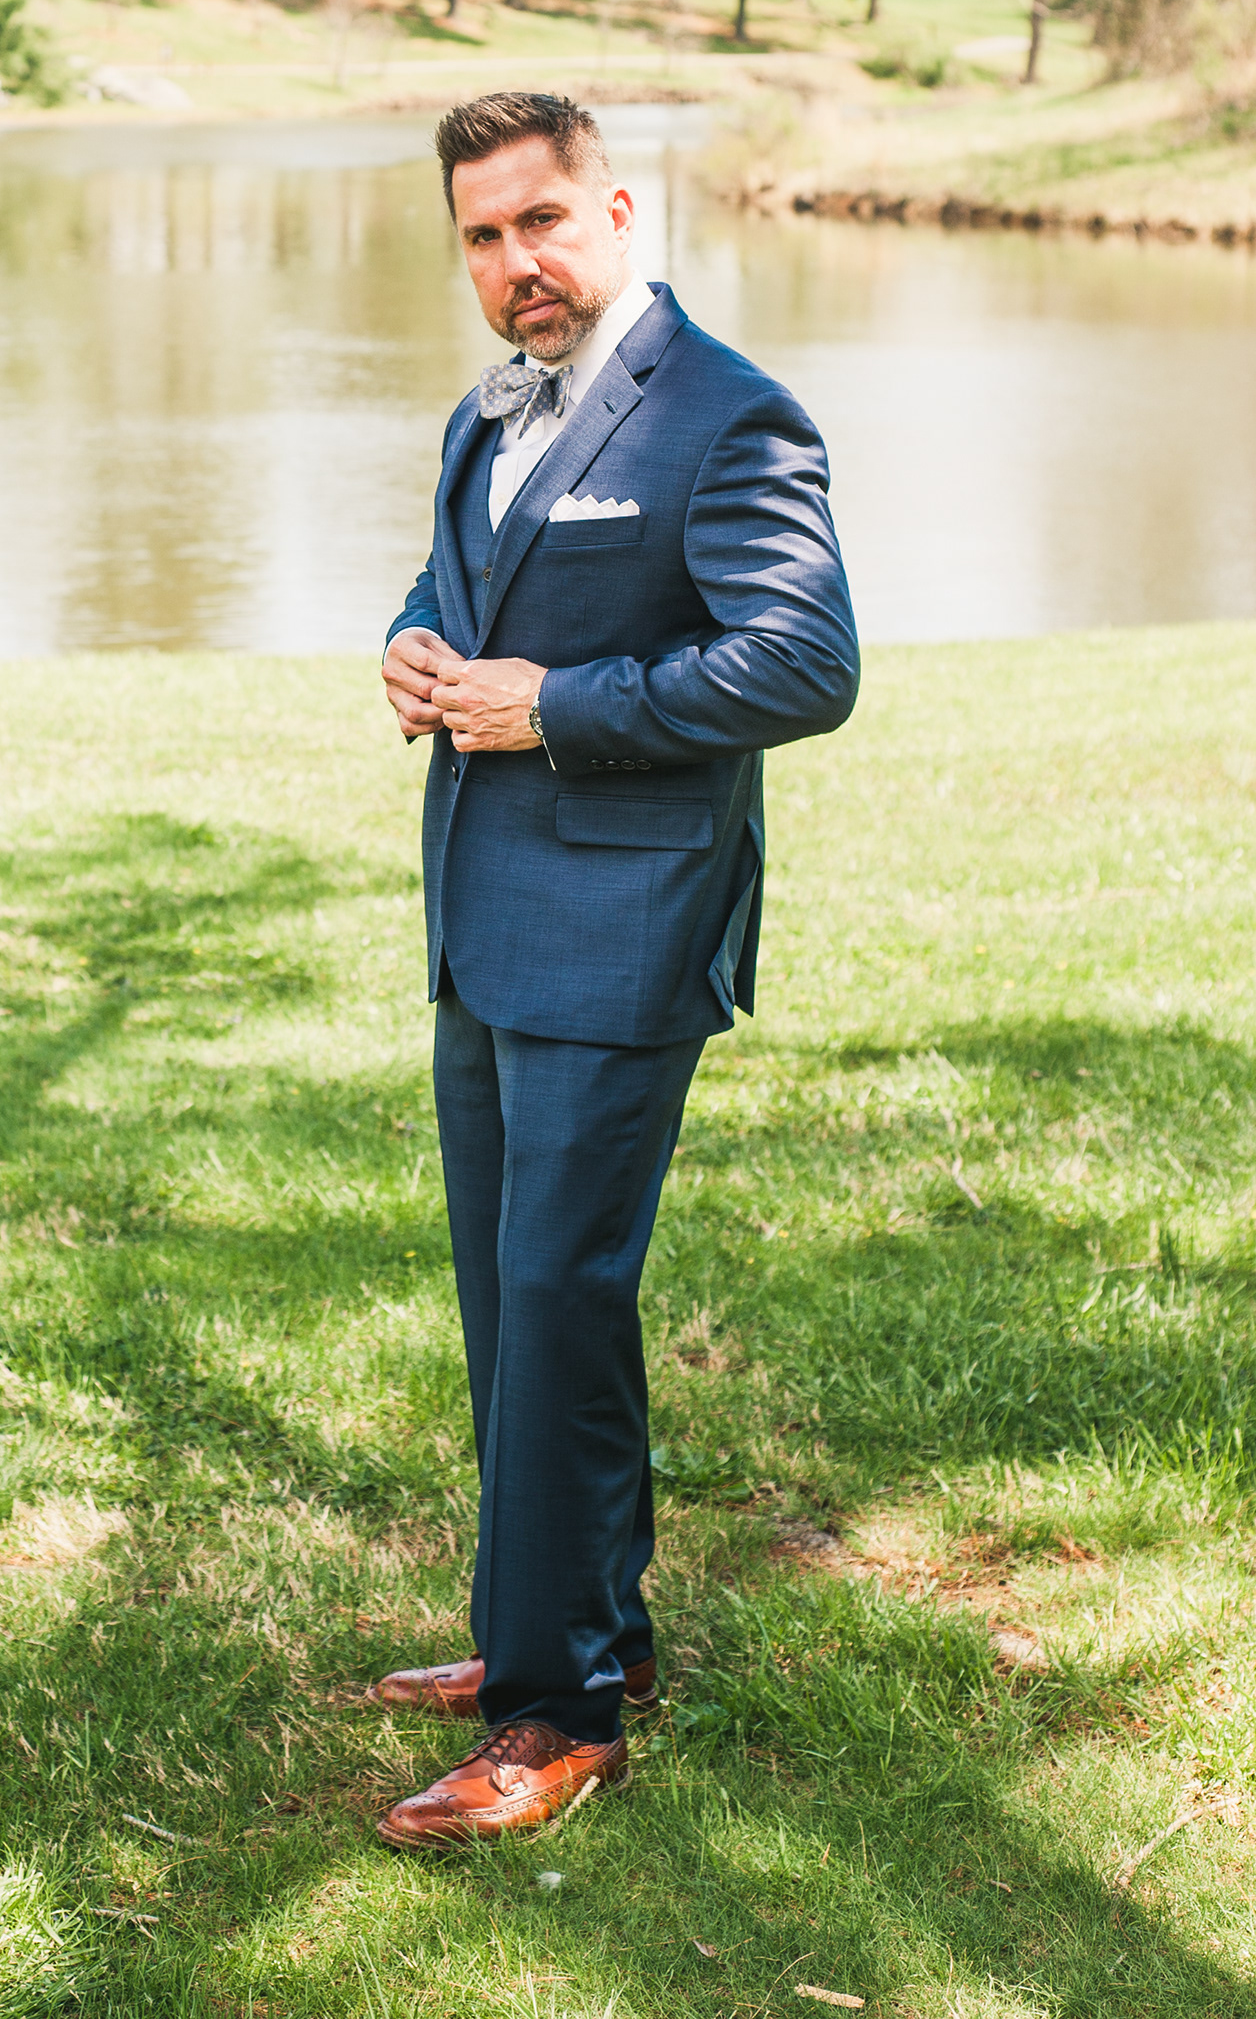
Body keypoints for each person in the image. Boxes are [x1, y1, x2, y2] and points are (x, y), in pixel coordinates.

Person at [371, 90, 859, 1854]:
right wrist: (416, 647)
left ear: (620, 211)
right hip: (482, 923)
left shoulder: (727, 413)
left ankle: (560, 1716)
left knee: (559, 1294)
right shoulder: (484, 411)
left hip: (623, 930)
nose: (517, 262)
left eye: (543, 221)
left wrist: (552, 706)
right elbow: (463, 587)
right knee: (518, 1306)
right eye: (483, 236)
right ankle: (575, 1629)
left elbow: (803, 661)